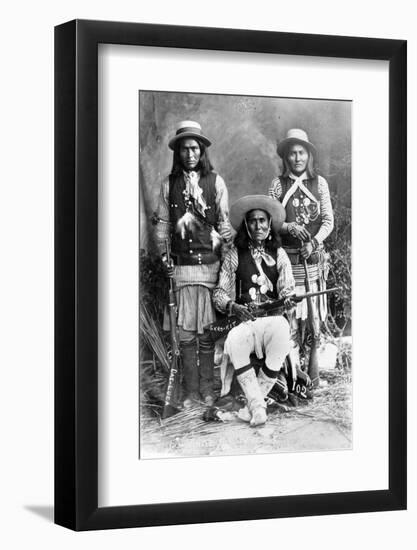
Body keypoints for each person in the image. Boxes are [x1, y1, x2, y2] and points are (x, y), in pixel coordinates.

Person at [153, 120, 232, 408]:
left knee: (208, 334)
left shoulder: (216, 182)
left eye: (195, 148)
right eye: (185, 149)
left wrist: (227, 259)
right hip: (182, 269)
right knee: (185, 335)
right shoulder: (168, 185)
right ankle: (190, 392)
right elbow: (162, 229)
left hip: (210, 267)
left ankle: (209, 390)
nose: (190, 154)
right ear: (178, 152)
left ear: (202, 151)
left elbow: (225, 226)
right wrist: (165, 260)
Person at [212, 195, 295, 426]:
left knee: (282, 331)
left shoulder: (279, 255)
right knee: (236, 340)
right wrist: (233, 307)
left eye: (262, 220)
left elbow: (287, 289)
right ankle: (258, 407)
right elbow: (219, 293)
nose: (258, 226)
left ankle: (254, 406)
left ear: (270, 225)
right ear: (246, 226)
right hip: (246, 322)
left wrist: (287, 300)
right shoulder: (234, 255)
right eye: (253, 221)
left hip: (272, 321)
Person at [269, 128, 334, 387]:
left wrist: (314, 242)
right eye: (292, 153)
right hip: (288, 264)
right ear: (286, 157)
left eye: (301, 153)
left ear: (309, 155)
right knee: (291, 324)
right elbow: (269, 221)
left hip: (312, 263)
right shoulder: (277, 184)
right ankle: (295, 378)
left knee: (314, 323)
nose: (297, 158)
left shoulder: (320, 184)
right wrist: (288, 228)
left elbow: (328, 221)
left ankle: (314, 377)